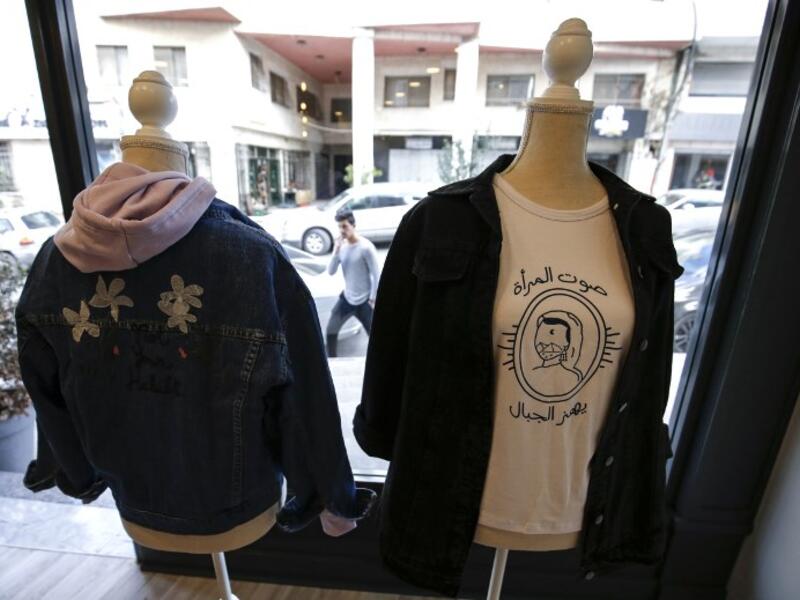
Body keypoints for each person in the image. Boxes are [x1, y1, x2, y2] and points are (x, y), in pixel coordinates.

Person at [326, 209, 380, 357]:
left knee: (376, 338)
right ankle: (333, 364)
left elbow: (376, 275)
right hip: (347, 300)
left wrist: (373, 298)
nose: (342, 230)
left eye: (345, 226)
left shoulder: (366, 247)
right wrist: (336, 251)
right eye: (339, 227)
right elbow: (330, 271)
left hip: (365, 302)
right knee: (330, 332)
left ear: (353, 225)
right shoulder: (341, 247)